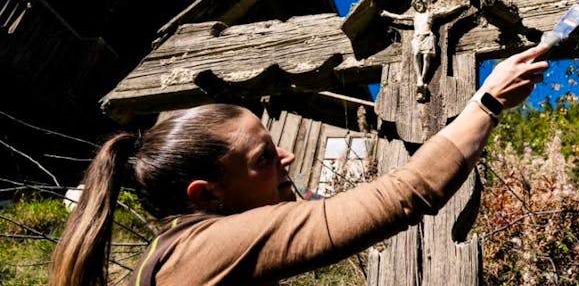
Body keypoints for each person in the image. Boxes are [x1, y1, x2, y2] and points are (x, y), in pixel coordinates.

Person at [49, 44, 550, 286]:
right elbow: (406, 193)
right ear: (206, 195)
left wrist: (283, 186)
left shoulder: (171, 253)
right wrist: (487, 102)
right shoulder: (215, 246)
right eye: (264, 158)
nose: (286, 157)